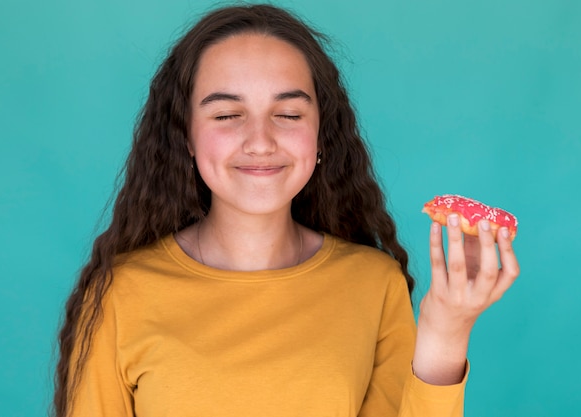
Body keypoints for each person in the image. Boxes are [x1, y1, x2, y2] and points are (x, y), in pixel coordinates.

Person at [53, 4, 520, 417]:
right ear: (187, 138)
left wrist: (446, 329)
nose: (260, 141)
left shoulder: (375, 285)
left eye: (289, 114)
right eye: (226, 114)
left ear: (321, 137)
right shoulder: (121, 293)